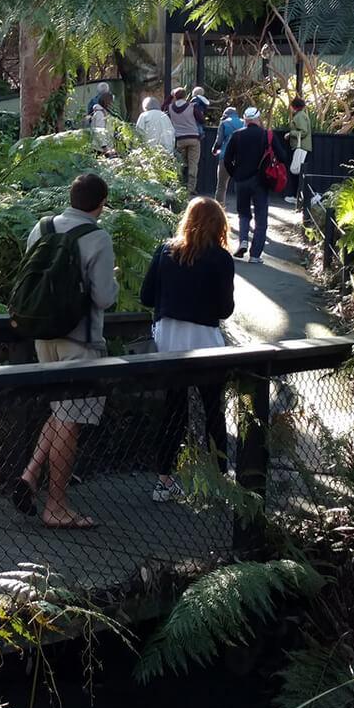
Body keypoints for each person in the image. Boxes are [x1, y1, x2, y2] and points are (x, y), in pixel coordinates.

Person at [14, 173, 117, 529]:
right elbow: (104, 298)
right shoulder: (97, 237)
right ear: (100, 204)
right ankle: (56, 506)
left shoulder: (41, 228)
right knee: (69, 422)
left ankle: (29, 475)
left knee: (61, 412)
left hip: (43, 335)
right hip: (80, 340)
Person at [140, 197, 236, 502]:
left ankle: (163, 480)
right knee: (213, 410)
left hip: (168, 339)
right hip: (204, 339)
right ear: (219, 226)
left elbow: (146, 297)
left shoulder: (165, 251)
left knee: (173, 410)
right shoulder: (221, 259)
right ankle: (220, 479)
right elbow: (224, 309)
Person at [222, 106, 281, 262]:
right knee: (261, 218)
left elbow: (227, 159)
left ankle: (243, 240)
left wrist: (235, 174)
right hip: (261, 181)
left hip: (241, 180)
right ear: (258, 119)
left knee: (243, 214)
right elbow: (283, 156)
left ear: (245, 120)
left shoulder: (237, 135)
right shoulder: (267, 135)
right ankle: (255, 255)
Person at [167, 87, 202, 192]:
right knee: (193, 163)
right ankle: (191, 188)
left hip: (179, 139)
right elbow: (201, 119)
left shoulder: (170, 107)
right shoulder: (192, 106)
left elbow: (162, 107)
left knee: (179, 163)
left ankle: (179, 186)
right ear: (185, 95)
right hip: (193, 138)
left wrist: (170, 97)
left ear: (175, 96)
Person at [213, 106, 244, 204]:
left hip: (225, 156)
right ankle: (242, 208)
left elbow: (219, 141)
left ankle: (219, 208)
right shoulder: (243, 122)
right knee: (242, 185)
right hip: (240, 157)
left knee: (221, 186)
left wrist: (214, 150)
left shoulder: (224, 123)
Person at [84, 86, 116, 151]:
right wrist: (104, 147)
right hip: (100, 149)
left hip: (107, 147)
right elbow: (99, 131)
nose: (112, 104)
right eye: (111, 102)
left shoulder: (106, 113)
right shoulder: (99, 114)